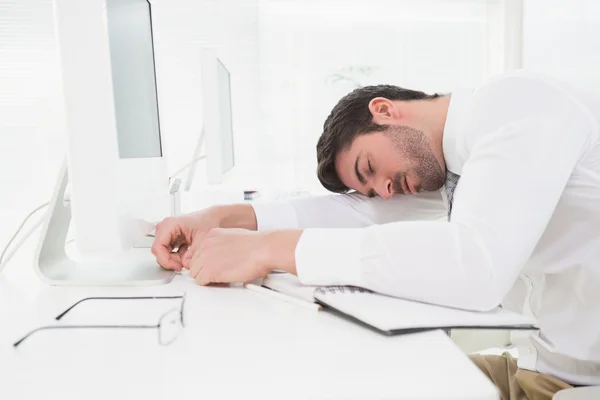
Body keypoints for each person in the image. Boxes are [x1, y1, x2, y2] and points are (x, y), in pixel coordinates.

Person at [151, 70, 600, 399]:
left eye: (370, 168)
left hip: (576, 384)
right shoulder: (456, 162)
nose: (385, 191)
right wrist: (221, 218)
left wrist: (270, 249)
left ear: (384, 110)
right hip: (541, 369)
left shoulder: (514, 106)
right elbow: (360, 214)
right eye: (372, 186)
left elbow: (477, 267)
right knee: (348, 380)